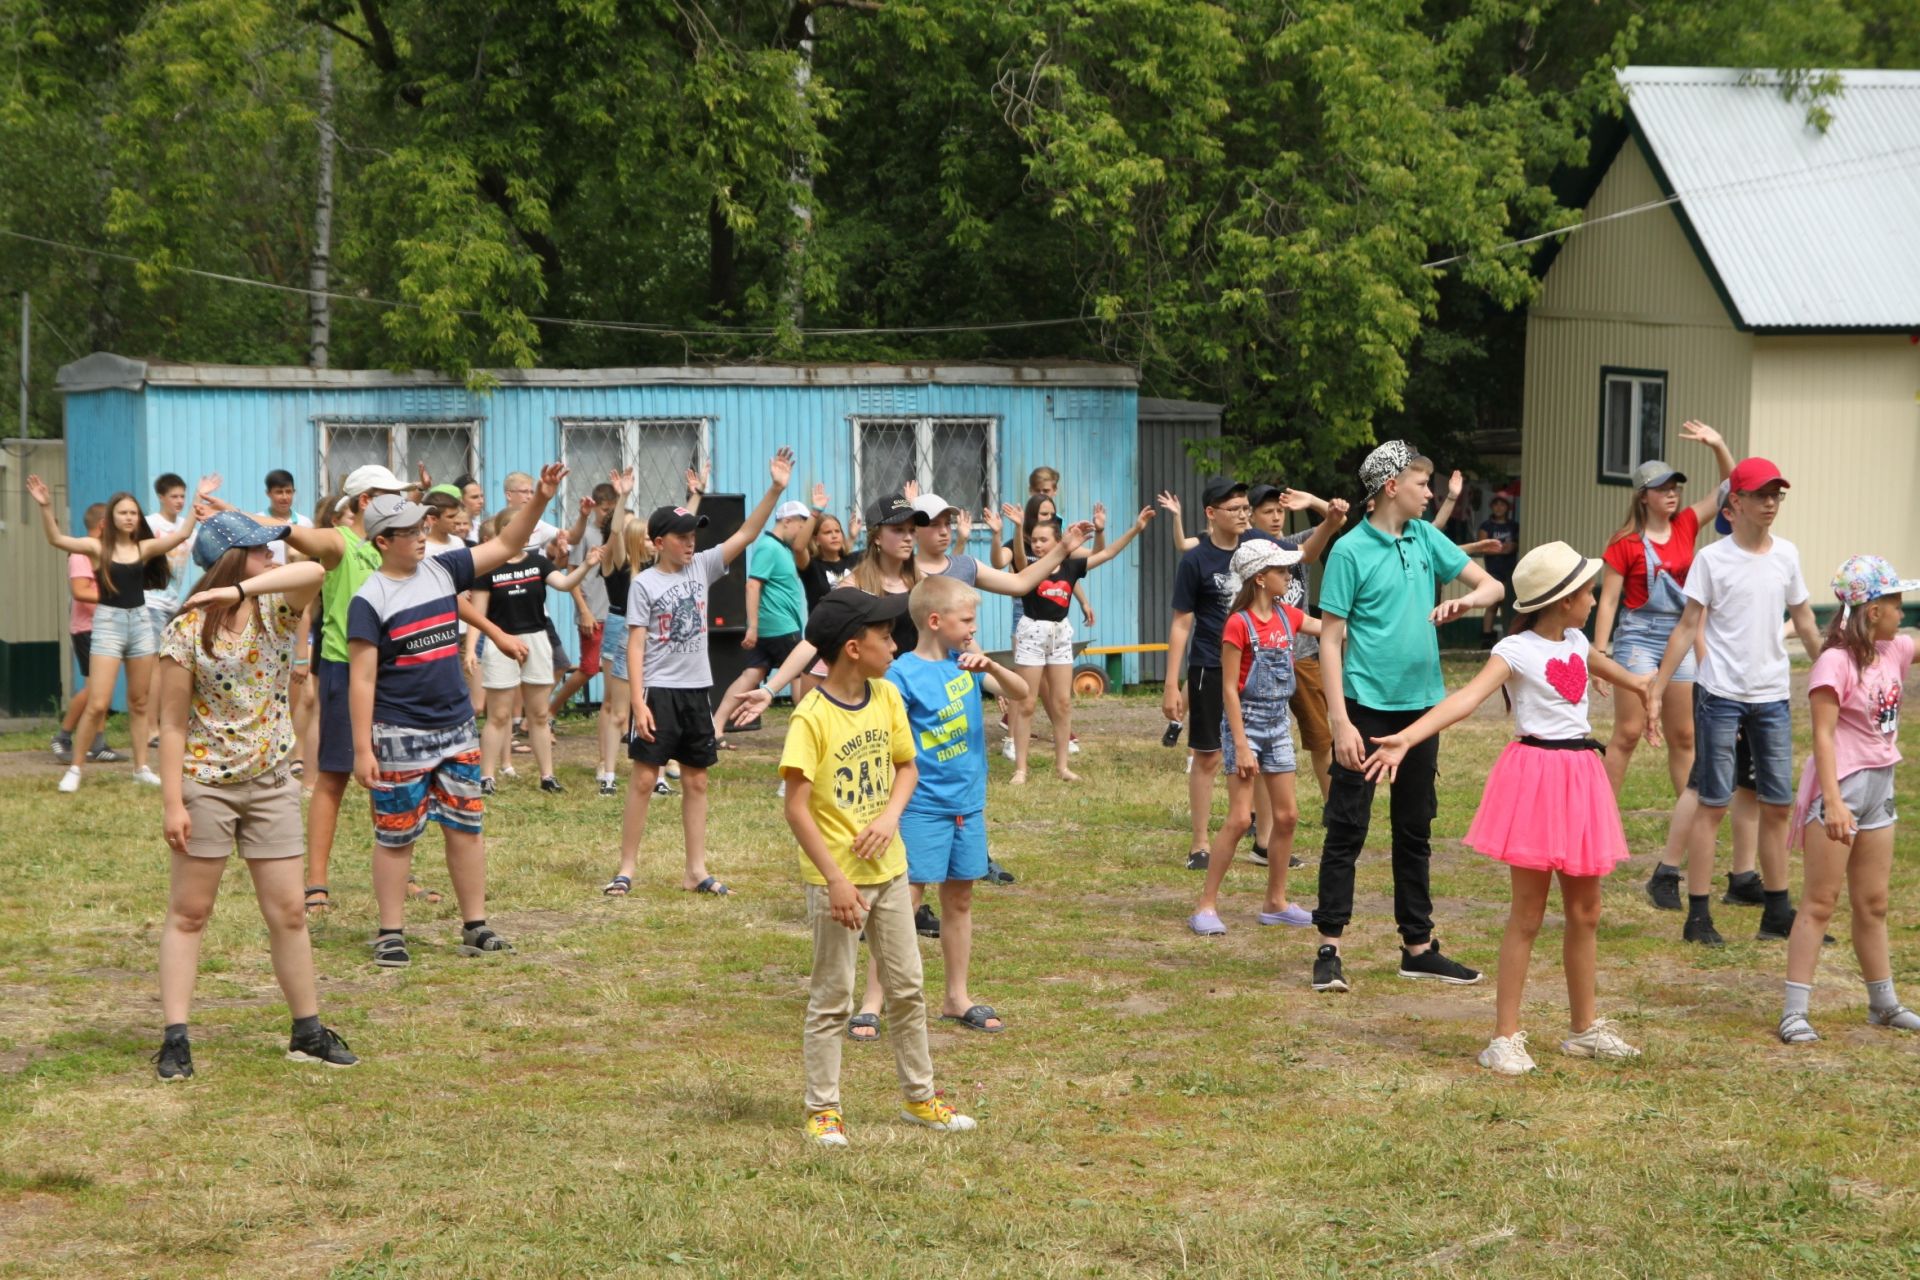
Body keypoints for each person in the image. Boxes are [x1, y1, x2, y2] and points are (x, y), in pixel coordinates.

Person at [1364, 542, 1650, 1071]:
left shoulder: (1575, 637)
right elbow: (1464, 700)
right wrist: (1406, 737)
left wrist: (1639, 684)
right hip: (1538, 777)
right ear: (1564, 600)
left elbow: (1597, 664)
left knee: (1586, 911)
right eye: (1588, 591)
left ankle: (1583, 1028)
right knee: (1528, 913)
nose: (1594, 598)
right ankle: (1504, 1036)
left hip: (1581, 776)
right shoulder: (1515, 652)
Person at [151, 513, 356, 1079]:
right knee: (190, 914)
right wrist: (174, 802)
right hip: (206, 786)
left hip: (270, 783)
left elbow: (321, 564)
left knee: (289, 912)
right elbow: (170, 724)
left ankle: (307, 1031)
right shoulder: (186, 630)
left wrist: (241, 587)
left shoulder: (277, 608)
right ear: (231, 555)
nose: (274, 559)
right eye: (260, 552)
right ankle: (175, 1039)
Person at [779, 588, 978, 1147]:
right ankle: (823, 1110)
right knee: (832, 997)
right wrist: (837, 880)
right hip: (835, 883)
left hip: (890, 871)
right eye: (885, 637)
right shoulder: (811, 716)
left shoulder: (888, 696)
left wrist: (891, 818)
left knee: (909, 987)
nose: (896, 645)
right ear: (851, 648)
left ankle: (921, 1098)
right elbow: (796, 806)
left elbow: (906, 768)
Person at [344, 470, 566, 968]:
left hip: (455, 727)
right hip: (399, 732)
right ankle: (390, 932)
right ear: (383, 541)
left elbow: (508, 539)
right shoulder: (370, 599)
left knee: (466, 828)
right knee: (396, 835)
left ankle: (475, 925)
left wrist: (542, 499)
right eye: (410, 532)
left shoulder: (444, 570)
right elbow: (361, 681)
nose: (422, 536)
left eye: (424, 527)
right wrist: (363, 749)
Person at [282, 465, 524, 916]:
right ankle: (317, 882)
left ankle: (408, 878)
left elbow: (446, 596)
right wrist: (262, 522)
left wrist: (496, 632)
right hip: (347, 668)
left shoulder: (423, 564)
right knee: (336, 776)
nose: (419, 530)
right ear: (363, 502)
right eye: (390, 496)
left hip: (419, 690)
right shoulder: (341, 541)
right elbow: (301, 538)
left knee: (419, 806)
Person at [1311, 441, 1506, 994]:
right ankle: (1330, 947)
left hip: (1422, 711)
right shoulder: (1350, 550)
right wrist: (1340, 723)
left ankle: (1417, 948)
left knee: (1414, 828)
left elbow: (1493, 585)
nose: (1432, 492)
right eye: (1423, 483)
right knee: (1347, 828)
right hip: (1364, 707)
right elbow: (1329, 639)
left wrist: (1465, 603)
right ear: (1391, 486)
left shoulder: (1425, 537)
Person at [600, 448, 795, 899]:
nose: (691, 543)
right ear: (658, 541)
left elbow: (747, 533)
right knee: (645, 779)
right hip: (659, 693)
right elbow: (635, 643)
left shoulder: (703, 567)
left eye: (694, 536)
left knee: (697, 779)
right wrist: (637, 701)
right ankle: (626, 868)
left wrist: (776, 489)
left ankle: (696, 870)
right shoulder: (645, 584)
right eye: (683, 536)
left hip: (696, 691)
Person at [843, 576, 1029, 1042]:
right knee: (902, 903)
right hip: (921, 806)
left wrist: (992, 667)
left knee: (960, 899)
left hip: (967, 805)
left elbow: (1024, 693)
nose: (972, 628)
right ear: (934, 621)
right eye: (965, 620)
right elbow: (889, 742)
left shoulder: (967, 662)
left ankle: (956, 998)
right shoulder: (901, 674)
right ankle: (872, 1003)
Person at [1647, 457, 1823, 947]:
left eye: (1777, 495)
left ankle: (1776, 910)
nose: (1770, 503)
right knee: (1713, 803)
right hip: (1720, 695)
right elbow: (1687, 626)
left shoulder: (1786, 555)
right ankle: (1698, 915)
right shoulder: (1712, 559)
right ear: (1735, 504)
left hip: (1771, 696)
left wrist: (1835, 675)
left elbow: (1806, 622)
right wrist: (1658, 688)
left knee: (1778, 805)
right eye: (1761, 495)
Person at [1587, 426, 1736, 902]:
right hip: (1637, 637)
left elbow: (1732, 491)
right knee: (1628, 733)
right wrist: (1601, 654)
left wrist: (1717, 446)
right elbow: (1607, 601)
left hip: (1681, 634)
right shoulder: (1624, 543)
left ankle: (1687, 824)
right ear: (1644, 496)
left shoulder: (1690, 524)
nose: (1673, 495)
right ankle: (1602, 829)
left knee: (1685, 735)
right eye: (1664, 489)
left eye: (1676, 488)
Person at [1778, 556, 1920, 1043]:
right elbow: (1822, 738)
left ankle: (1883, 1004)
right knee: (1820, 901)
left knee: (1874, 902)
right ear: (1872, 609)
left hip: (1880, 788)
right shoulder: (1834, 662)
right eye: (1896, 602)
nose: (1904, 611)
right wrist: (1833, 803)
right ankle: (1794, 1012)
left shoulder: (1894, 650)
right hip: (1841, 788)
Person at [1158, 481, 1348, 823]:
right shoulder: (1197, 559)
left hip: (1259, 667)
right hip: (1210, 665)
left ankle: (1261, 837)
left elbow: (1304, 554)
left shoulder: (1258, 544)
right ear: (1211, 514)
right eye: (1237, 509)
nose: (1245, 515)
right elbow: (1181, 623)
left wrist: (1330, 523)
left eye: (1247, 508)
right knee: (1209, 756)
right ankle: (1201, 842)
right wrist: (1172, 683)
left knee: (1260, 751)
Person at [26, 475, 206, 792]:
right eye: (122, 512)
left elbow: (182, 535)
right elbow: (56, 539)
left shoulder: (145, 547)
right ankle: (76, 768)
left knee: (139, 702)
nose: (128, 517)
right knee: (98, 702)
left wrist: (197, 502)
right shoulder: (96, 548)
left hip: (140, 623)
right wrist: (45, 506)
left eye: (133, 513)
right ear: (111, 516)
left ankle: (140, 768)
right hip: (108, 624)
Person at [1187, 540, 1320, 936]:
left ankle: (1275, 902)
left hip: (1278, 723)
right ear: (1260, 578)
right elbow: (1228, 689)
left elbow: (1330, 628)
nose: (1288, 576)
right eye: (1281, 571)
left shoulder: (1287, 616)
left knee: (1287, 815)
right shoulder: (1238, 624)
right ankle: (1206, 905)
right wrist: (1242, 745)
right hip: (1245, 722)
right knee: (1241, 817)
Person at [1008, 505, 1154, 784]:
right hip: (1032, 633)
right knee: (1026, 703)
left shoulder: (1072, 565)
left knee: (1062, 702)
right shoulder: (1030, 566)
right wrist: (1017, 529)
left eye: (1043, 540)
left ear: (1058, 541)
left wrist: (1135, 529)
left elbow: (1107, 553)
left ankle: (1062, 766)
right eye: (1034, 541)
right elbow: (1017, 557)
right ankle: (1021, 769)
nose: (1037, 545)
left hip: (1060, 634)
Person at [467, 513, 598, 794]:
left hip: (536, 640)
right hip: (501, 641)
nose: (524, 533)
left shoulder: (538, 562)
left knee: (538, 714)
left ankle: (547, 776)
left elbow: (563, 584)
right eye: (518, 527)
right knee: (498, 715)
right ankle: (486, 778)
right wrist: (470, 649)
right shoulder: (487, 569)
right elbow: (476, 614)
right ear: (504, 532)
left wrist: (586, 564)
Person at [710, 497, 814, 745]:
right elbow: (753, 584)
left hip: (775, 625)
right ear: (787, 521)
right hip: (780, 626)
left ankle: (715, 727)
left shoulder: (782, 548)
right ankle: (807, 734)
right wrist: (752, 626)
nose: (802, 533)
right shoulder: (768, 546)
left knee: (751, 674)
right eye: (801, 525)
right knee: (801, 674)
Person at [50, 503, 121, 766]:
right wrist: (115, 596)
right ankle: (63, 737)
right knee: (94, 690)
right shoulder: (81, 551)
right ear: (103, 523)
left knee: (104, 690)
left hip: (106, 627)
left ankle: (98, 744)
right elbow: (80, 591)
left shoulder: (107, 552)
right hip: (86, 629)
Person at [593, 473, 647, 797]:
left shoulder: (651, 563)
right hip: (620, 625)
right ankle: (606, 766)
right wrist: (623, 497)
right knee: (615, 704)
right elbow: (614, 531)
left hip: (644, 631)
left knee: (639, 702)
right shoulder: (614, 561)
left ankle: (653, 770)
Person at [1475, 493, 1519, 646]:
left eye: (1502, 504)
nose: (1499, 507)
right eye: (1496, 504)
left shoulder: (1513, 526)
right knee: (1492, 604)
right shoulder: (1486, 526)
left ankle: (1511, 637)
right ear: (1491, 507)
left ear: (1508, 507)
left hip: (1511, 571)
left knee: (1510, 605)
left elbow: (1517, 544)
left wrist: (1511, 547)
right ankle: (1486, 637)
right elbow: (1483, 547)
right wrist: (1502, 549)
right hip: (1493, 571)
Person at [255, 469, 314, 564]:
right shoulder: (258, 522)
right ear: (268, 493)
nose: (285, 497)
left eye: (288, 492)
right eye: (279, 492)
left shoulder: (305, 523)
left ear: (294, 492)